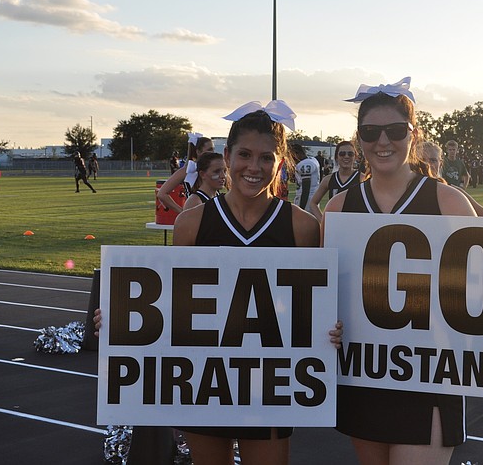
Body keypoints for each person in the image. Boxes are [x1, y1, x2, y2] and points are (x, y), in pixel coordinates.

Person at [324, 83, 483, 465]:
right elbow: (333, 298)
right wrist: (330, 326)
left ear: (414, 133)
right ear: (359, 139)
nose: (383, 141)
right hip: (365, 378)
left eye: (396, 130)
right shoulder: (340, 209)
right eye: (371, 133)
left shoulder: (449, 201)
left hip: (432, 380)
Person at [95, 104, 341, 465]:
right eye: (244, 154)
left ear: (279, 162)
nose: (253, 168)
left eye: (266, 158)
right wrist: (122, 320)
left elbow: (309, 308)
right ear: (227, 156)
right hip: (205, 380)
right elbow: (175, 305)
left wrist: (329, 330)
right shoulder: (191, 224)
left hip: (270, 383)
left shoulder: (302, 226)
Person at [306, 141, 362, 222]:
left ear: (355, 157)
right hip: (335, 227)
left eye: (350, 154)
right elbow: (313, 203)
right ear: (336, 157)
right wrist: (323, 222)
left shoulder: (363, 178)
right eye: (342, 154)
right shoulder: (328, 179)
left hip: (357, 225)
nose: (346, 156)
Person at [157, 135, 214, 214]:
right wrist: (182, 212)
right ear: (198, 152)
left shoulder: (214, 169)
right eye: (209, 150)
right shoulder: (188, 170)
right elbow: (162, 194)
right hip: (194, 218)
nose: (213, 153)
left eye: (213, 150)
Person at [290, 143, 321, 213]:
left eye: (292, 156)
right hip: (314, 197)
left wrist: (301, 209)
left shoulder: (305, 164)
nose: (291, 159)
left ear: (298, 154)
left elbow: (306, 189)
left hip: (306, 199)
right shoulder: (312, 159)